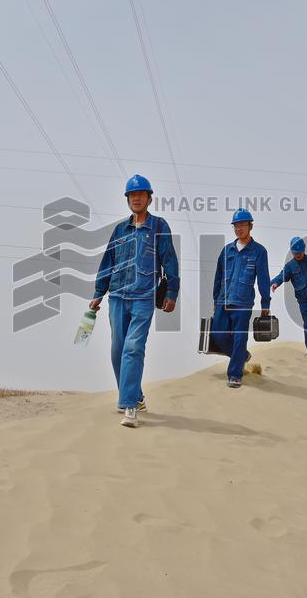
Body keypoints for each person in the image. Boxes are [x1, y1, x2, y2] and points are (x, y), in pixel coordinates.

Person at [91, 174, 179, 428]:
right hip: (117, 296)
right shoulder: (120, 230)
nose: (136, 198)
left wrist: (172, 292)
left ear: (149, 198)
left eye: (141, 195)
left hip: (143, 297)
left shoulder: (159, 227)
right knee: (117, 351)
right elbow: (108, 262)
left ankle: (129, 406)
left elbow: (170, 261)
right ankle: (137, 396)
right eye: (132, 195)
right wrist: (98, 293)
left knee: (133, 348)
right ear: (128, 200)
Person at [210, 208, 272, 388]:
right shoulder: (226, 250)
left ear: (250, 226)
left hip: (243, 302)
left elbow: (263, 278)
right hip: (223, 300)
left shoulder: (259, 251)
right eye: (236, 225)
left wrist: (265, 302)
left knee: (239, 338)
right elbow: (218, 276)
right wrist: (215, 300)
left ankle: (235, 374)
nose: (239, 228)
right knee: (217, 334)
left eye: (242, 225)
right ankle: (242, 356)